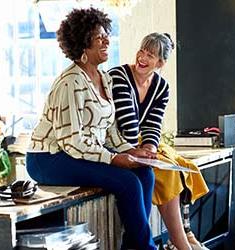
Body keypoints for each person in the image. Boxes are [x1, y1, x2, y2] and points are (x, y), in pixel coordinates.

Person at [26, 8, 157, 250]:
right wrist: (115, 159)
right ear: (83, 45)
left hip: (77, 152)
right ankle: (145, 248)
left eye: (107, 34)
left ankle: (134, 246)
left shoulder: (104, 78)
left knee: (145, 174)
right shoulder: (70, 83)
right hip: (49, 158)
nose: (107, 40)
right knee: (127, 181)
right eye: (100, 37)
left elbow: (109, 131)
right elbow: (72, 142)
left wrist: (133, 151)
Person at [109, 33, 209, 250]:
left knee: (182, 165)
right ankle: (181, 241)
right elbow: (127, 123)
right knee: (166, 171)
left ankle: (185, 234)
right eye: (142, 51)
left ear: (161, 63)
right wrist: (141, 151)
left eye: (150, 55)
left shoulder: (161, 87)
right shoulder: (118, 75)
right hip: (118, 142)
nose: (142, 58)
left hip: (141, 142)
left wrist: (150, 147)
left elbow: (153, 125)